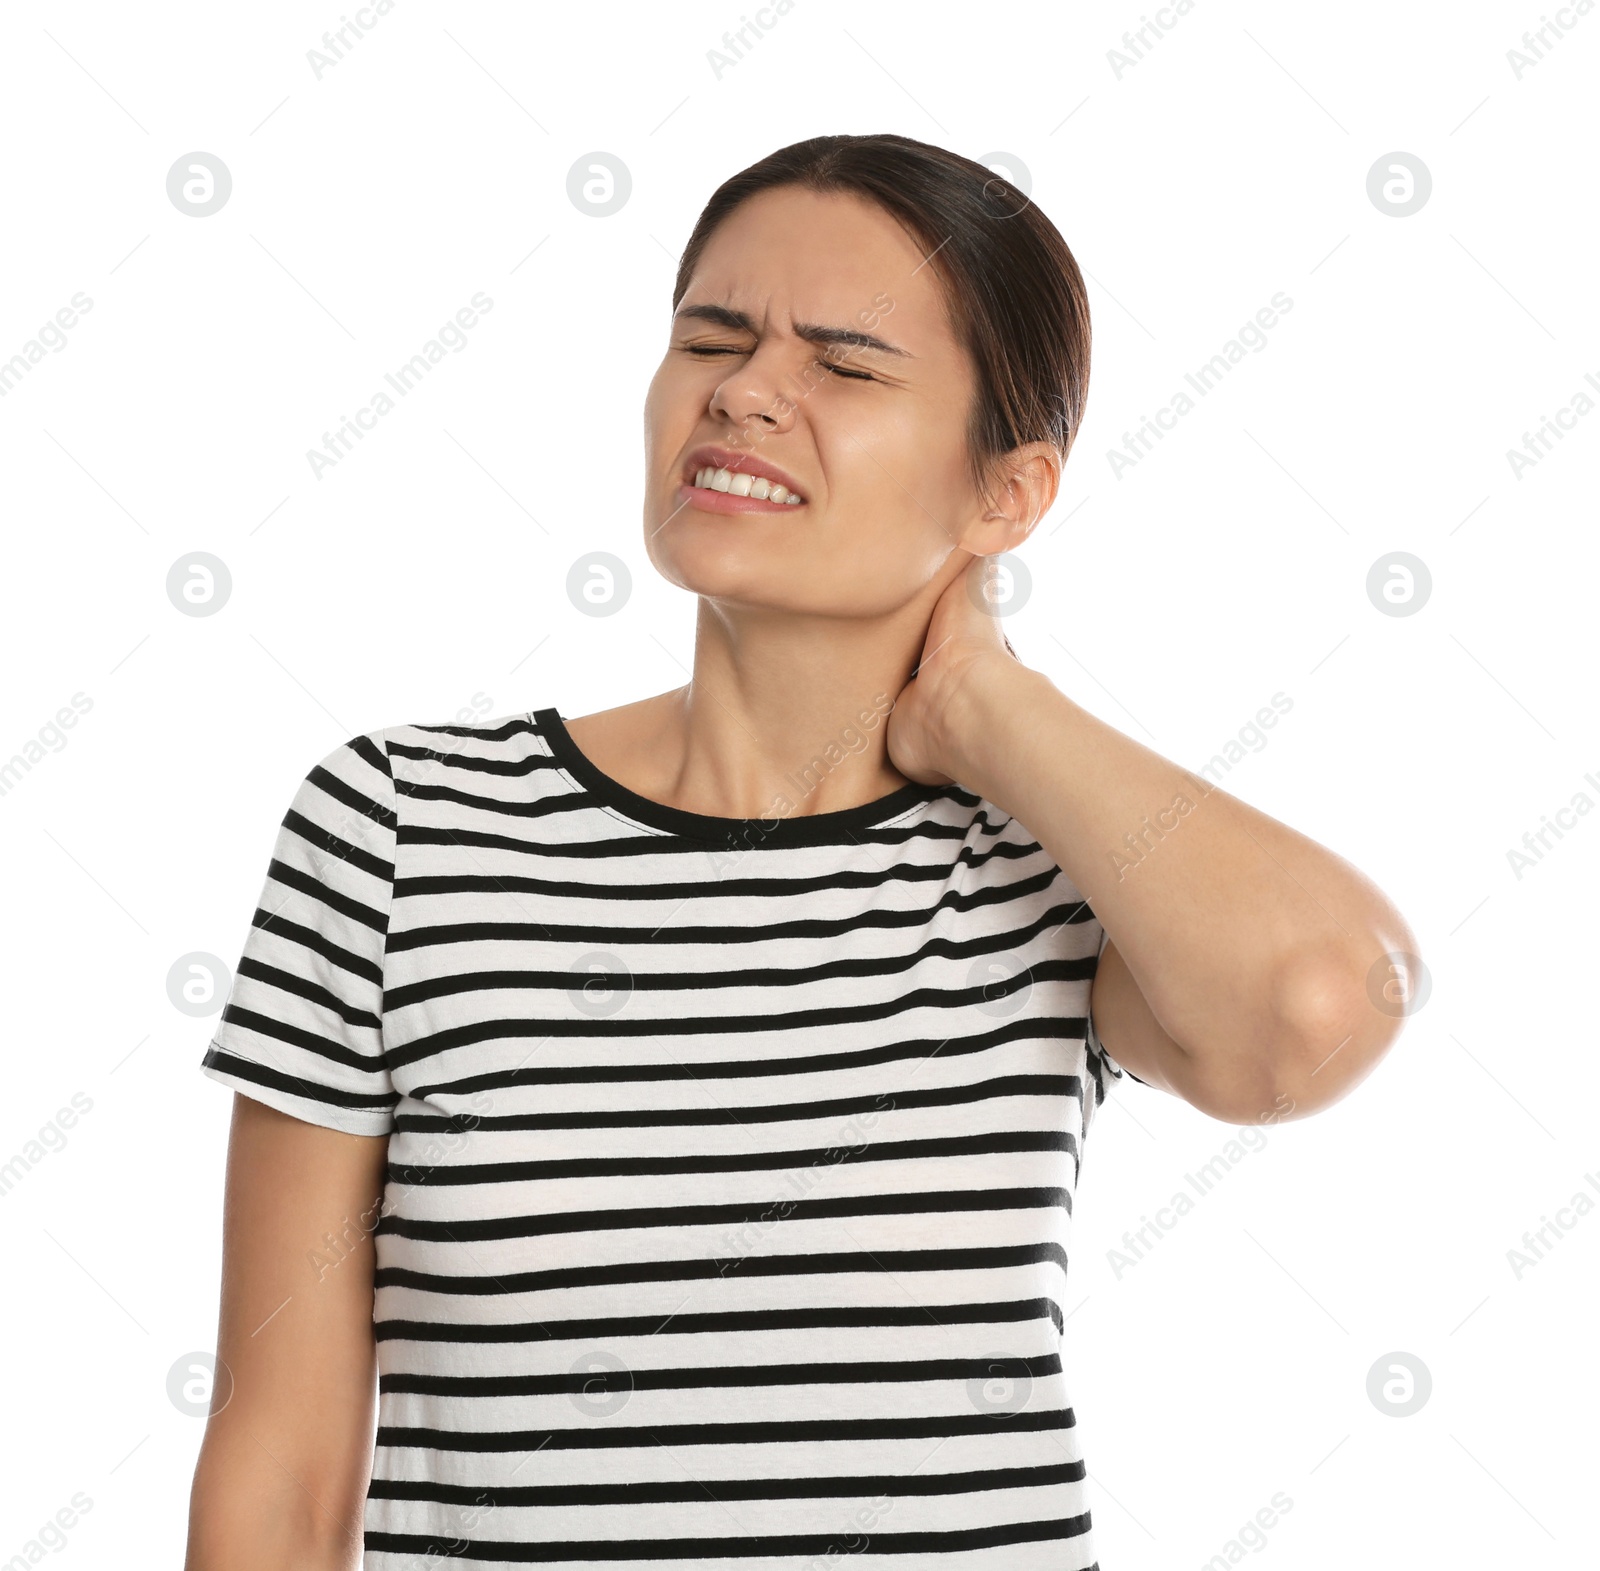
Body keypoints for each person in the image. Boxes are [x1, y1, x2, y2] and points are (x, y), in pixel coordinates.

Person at [185, 132, 1418, 1570]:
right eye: (712, 336)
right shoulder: (402, 826)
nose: (746, 392)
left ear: (1005, 495)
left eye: (844, 364)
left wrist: (986, 708)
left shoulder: (1049, 865)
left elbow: (1321, 1012)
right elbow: (278, 1468)